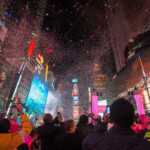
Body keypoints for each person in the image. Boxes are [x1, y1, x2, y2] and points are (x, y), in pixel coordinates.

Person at [82, 98, 150, 150]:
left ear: (111, 119)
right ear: (133, 119)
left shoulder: (98, 142)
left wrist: (103, 123)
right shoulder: (145, 145)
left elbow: (87, 142)